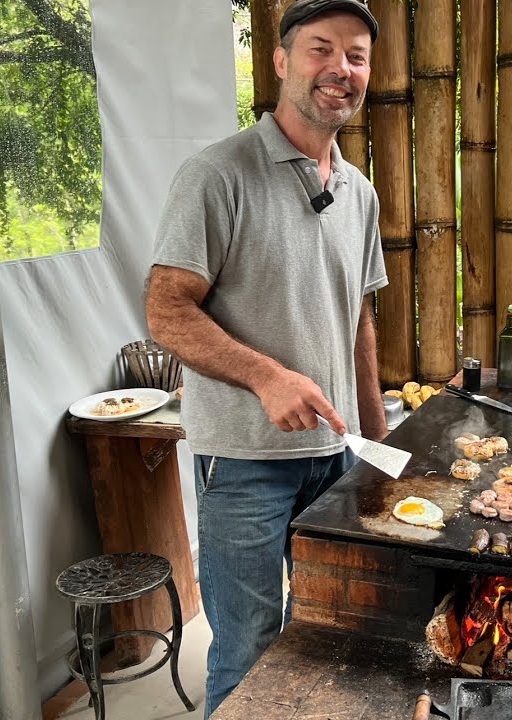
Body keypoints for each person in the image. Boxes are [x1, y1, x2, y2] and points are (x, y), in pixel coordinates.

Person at [143, 1, 384, 715]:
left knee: (330, 638)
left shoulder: (359, 191)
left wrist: (374, 439)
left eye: (357, 55)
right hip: (245, 463)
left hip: (336, 457)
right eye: (321, 49)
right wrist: (266, 376)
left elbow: (359, 320)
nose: (340, 68)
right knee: (249, 647)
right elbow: (165, 311)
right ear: (281, 62)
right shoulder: (217, 173)